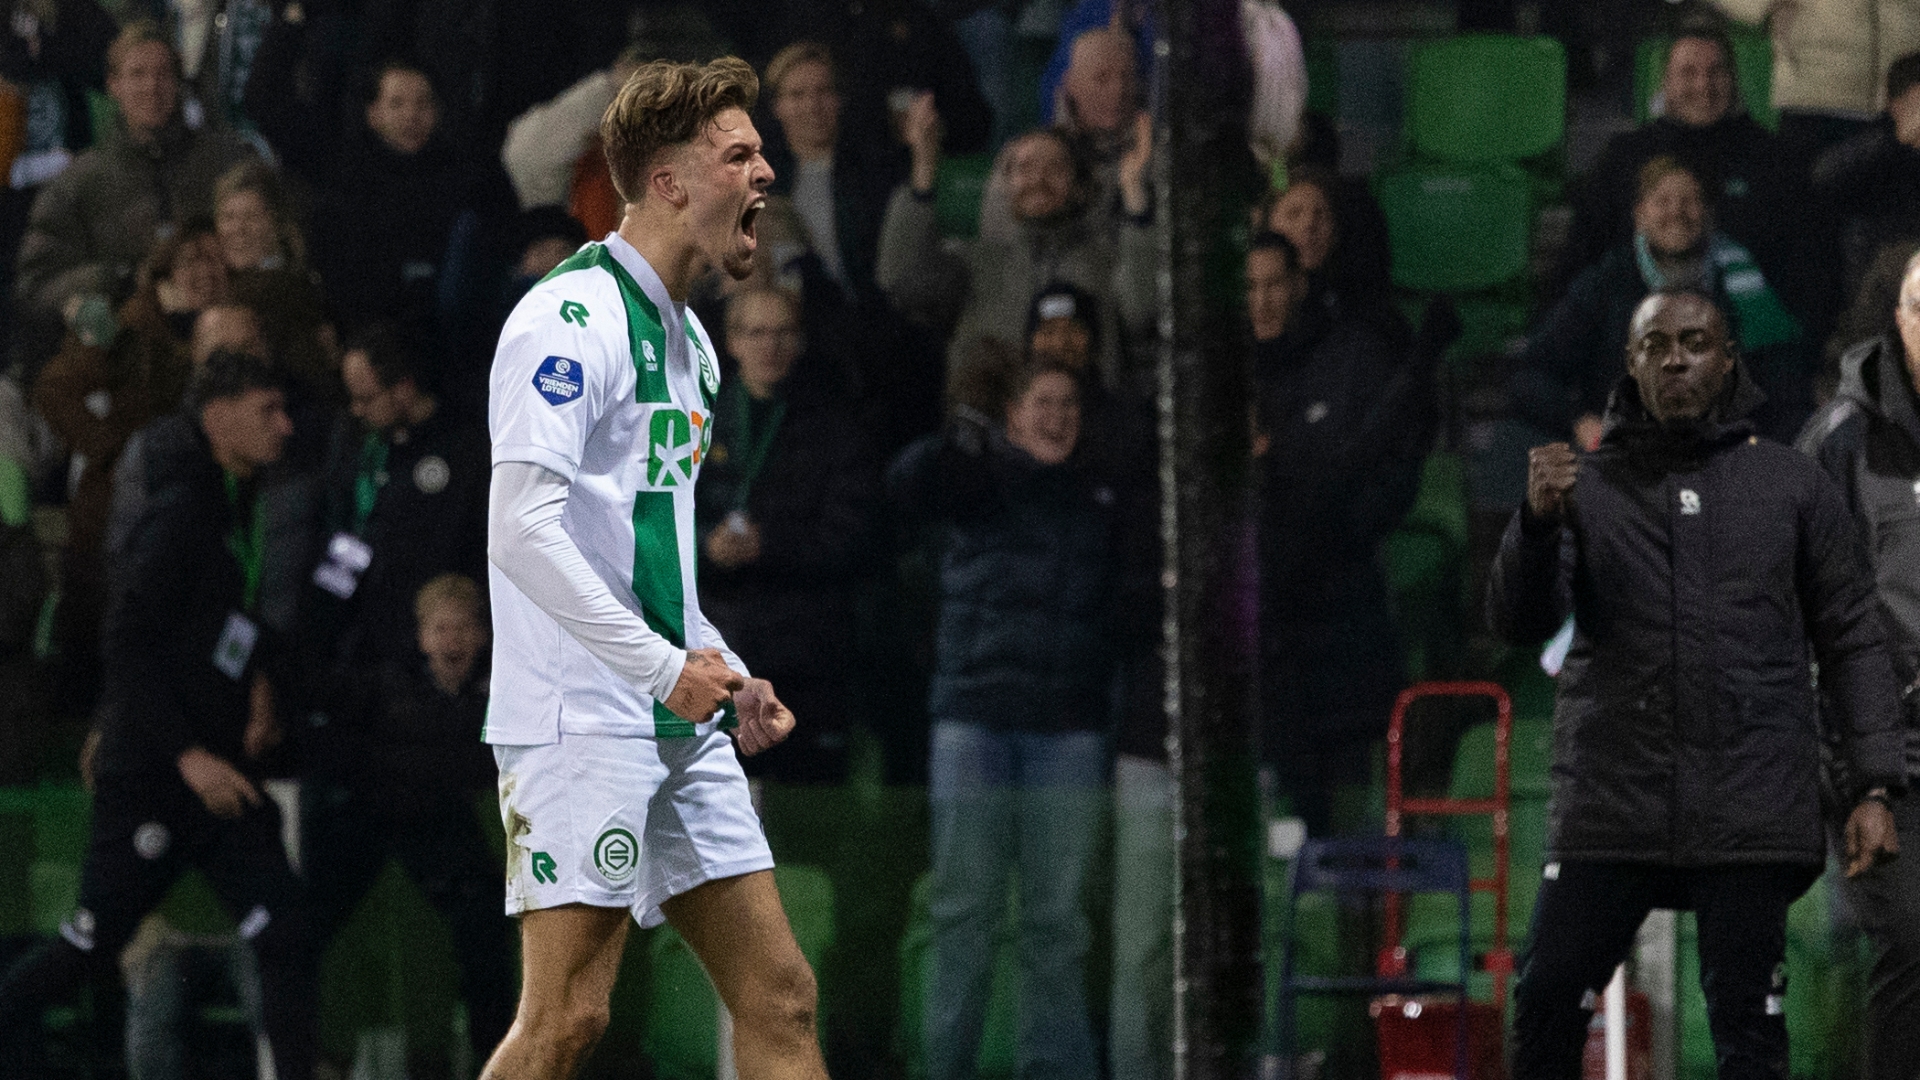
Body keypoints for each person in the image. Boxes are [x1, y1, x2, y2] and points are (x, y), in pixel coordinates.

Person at [479, 56, 825, 1080]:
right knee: (566, 1021)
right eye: (739, 155)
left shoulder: (694, 345)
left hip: (672, 709)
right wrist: (662, 669)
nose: (766, 172)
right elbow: (520, 530)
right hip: (579, 717)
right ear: (669, 182)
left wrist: (720, 666)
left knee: (781, 996)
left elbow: (654, 553)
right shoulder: (567, 320)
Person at [1487, 288, 1905, 1079]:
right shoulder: (1582, 486)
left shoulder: (1791, 485)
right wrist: (1535, 526)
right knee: (1544, 1002)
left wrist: (1874, 786)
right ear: (1631, 363)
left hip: (1749, 808)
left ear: (1728, 360)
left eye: (1695, 343)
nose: (1676, 359)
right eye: (1657, 345)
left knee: (1750, 1033)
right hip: (1612, 805)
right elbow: (1519, 621)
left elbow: (1852, 638)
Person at [0, 350, 316, 1080]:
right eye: (268, 410)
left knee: (286, 929)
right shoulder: (181, 513)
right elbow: (127, 641)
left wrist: (259, 681)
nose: (285, 426)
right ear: (219, 415)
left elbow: (216, 627)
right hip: (158, 775)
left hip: (215, 774)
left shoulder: (230, 503)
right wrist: (186, 755)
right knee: (89, 946)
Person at [887, 359, 1118, 1080]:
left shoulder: (1100, 494)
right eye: (1041, 402)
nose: (1057, 416)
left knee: (1057, 922)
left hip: (1068, 729)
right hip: (976, 721)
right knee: (964, 913)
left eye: (1068, 403)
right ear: (1012, 414)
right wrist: (955, 441)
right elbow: (906, 485)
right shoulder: (976, 477)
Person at [1249, 230, 1430, 836]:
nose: (1263, 300)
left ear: (1299, 285)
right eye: (1249, 287)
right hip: (1261, 637)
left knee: (1353, 824)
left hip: (1345, 625)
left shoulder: (1352, 359)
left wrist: (1340, 528)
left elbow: (1398, 464)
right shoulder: (1215, 375)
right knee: (1277, 832)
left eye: (1275, 283)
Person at [306, 572, 515, 1074]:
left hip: (448, 838)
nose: (451, 641)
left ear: (482, 635)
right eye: (440, 629)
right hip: (376, 830)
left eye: (462, 629)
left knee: (487, 934)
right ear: (421, 637)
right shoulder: (382, 690)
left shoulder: (504, 697)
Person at [1796, 250, 1920, 1080]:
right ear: (1898, 320)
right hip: (1889, 758)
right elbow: (1793, 614)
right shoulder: (1842, 441)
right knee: (1912, 944)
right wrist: (1846, 771)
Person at [32, 221, 228, 714]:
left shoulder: (228, 324)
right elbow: (55, 387)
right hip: (120, 504)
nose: (205, 271)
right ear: (166, 269)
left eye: (214, 258)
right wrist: (112, 450)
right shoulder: (129, 327)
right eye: (191, 260)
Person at [1513, 156, 1814, 446]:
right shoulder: (1606, 284)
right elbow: (1533, 374)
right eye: (1662, 201)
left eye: (1690, 201)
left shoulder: (1743, 285)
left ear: (1708, 213)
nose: (1677, 212)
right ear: (1640, 215)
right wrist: (1580, 422)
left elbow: (1786, 388)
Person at [13, 20, 257, 371]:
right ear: (114, 85)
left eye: (163, 74)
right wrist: (114, 280)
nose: (151, 87)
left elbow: (274, 240)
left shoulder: (225, 161)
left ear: (178, 82)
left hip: (227, 345)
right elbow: (35, 286)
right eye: (137, 74)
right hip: (126, 357)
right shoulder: (78, 184)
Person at [876, 105, 1154, 391]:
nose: (1038, 179)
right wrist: (923, 176)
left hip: (1083, 416)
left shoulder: (1105, 260)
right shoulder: (973, 260)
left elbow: (1142, 312)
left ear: (1078, 186)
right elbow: (898, 284)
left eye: (1055, 168)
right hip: (987, 418)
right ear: (1005, 184)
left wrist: (1134, 193)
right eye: (1025, 168)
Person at [1556, 20, 1805, 312]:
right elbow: (1584, 251)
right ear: (1666, 82)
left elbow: (1805, 263)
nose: (1704, 86)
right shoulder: (1625, 156)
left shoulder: (1774, 160)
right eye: (1688, 73)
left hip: (1749, 320)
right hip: (1636, 319)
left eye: (1716, 72)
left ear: (1734, 80)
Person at [759, 41, 898, 302]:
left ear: (839, 100)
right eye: (797, 95)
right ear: (777, 106)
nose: (813, 106)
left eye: (823, 91)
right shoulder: (763, 181)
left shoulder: (872, 175)